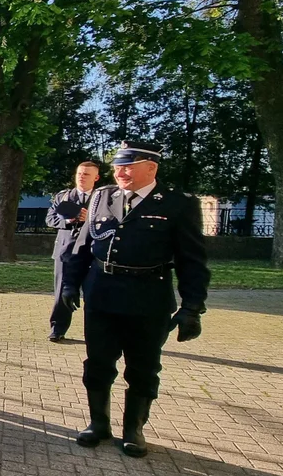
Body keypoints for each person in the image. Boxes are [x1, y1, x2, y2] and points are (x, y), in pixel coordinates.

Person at [62, 140, 210, 458]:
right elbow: (83, 247)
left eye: (129, 166)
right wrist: (70, 285)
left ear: (151, 168)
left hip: (148, 299)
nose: (121, 172)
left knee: (142, 368)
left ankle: (134, 430)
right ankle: (98, 424)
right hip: (102, 295)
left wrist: (192, 307)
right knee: (98, 364)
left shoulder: (177, 204)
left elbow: (193, 261)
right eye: (118, 165)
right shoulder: (102, 196)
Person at [46, 161, 100, 342]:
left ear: (96, 178)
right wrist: (69, 220)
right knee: (62, 292)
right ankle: (57, 328)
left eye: (86, 174)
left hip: (93, 253)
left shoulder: (103, 198)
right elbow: (50, 220)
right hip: (66, 251)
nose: (81, 177)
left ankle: (94, 333)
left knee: (93, 294)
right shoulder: (63, 197)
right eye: (79, 174)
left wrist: (90, 218)